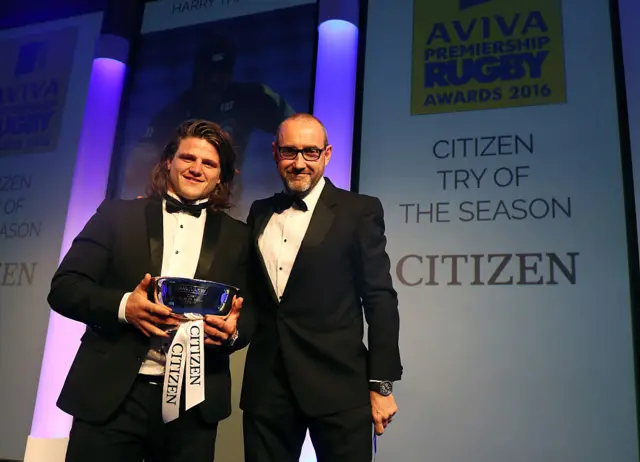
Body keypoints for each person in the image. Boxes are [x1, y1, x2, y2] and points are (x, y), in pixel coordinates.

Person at [48, 119, 253, 462]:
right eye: (188, 158)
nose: (196, 169)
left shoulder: (239, 237)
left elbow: (251, 314)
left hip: (194, 405)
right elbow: (65, 287)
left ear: (222, 177)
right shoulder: (117, 215)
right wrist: (125, 306)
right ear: (168, 161)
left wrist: (233, 332)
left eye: (209, 163)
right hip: (110, 398)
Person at [240, 113, 403, 462]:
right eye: (289, 151)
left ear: (327, 154)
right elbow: (256, 298)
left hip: (339, 386)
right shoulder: (258, 212)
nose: (299, 163)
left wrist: (382, 385)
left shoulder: (358, 211)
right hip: (267, 388)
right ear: (274, 153)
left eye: (310, 152)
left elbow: (380, 299)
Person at [122, 34, 296, 203]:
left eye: (222, 73)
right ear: (197, 73)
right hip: (178, 204)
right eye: (208, 73)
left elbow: (299, 127)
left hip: (228, 205)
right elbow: (137, 164)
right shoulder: (174, 111)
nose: (214, 81)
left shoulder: (251, 97)